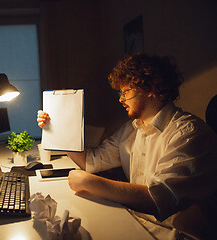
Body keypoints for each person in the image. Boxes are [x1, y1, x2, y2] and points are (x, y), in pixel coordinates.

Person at [37, 53, 217, 239]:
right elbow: (90, 161)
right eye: (120, 93)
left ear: (151, 88)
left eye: (126, 91)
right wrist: (56, 127)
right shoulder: (131, 130)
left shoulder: (189, 133)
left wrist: (92, 183)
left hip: (176, 234)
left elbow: (158, 199)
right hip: (139, 223)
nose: (121, 99)